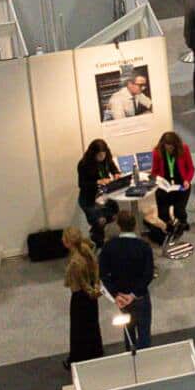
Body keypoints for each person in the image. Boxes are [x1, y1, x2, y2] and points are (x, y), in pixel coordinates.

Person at [98, 210, 155, 347]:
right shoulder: (144, 246)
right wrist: (134, 294)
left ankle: (130, 354)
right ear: (134, 225)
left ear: (119, 226)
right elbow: (148, 274)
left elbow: (103, 274)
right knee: (144, 333)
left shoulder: (109, 247)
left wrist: (116, 295)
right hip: (140, 297)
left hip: (122, 298)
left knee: (128, 332)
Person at [64, 227, 104, 369]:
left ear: (67, 242)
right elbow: (95, 269)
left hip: (81, 296)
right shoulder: (86, 250)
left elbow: (81, 283)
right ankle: (96, 352)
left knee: (78, 328)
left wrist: (91, 291)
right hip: (90, 295)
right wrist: (96, 286)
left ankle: (77, 358)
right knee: (92, 324)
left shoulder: (76, 262)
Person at [76, 139, 122, 245]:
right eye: (99, 155)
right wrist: (98, 182)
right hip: (89, 198)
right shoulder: (84, 164)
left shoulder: (107, 158)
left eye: (104, 154)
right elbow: (82, 184)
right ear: (93, 154)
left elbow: (114, 169)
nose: (102, 157)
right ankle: (98, 242)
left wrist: (116, 174)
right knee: (100, 221)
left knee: (115, 215)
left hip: (104, 196)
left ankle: (98, 235)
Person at [151, 131, 194, 239]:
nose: (169, 150)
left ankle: (182, 223)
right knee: (163, 213)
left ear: (176, 145)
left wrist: (187, 180)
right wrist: (158, 180)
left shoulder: (184, 149)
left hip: (181, 185)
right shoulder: (157, 152)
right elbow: (154, 172)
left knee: (179, 210)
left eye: (171, 148)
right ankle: (169, 227)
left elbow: (191, 168)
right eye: (167, 147)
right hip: (165, 186)